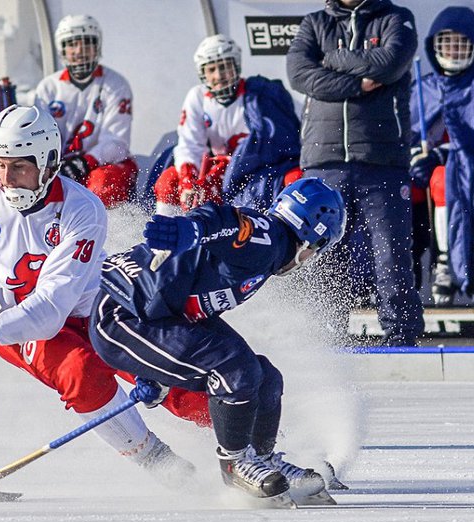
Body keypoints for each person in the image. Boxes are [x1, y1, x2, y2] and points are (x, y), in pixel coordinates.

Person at [0, 104, 210, 486]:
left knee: (177, 381)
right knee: (81, 373)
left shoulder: (82, 210)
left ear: (48, 163)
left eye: (19, 167)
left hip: (95, 312)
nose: (6, 179)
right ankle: (162, 463)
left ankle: (256, 448)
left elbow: (51, 308)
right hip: (24, 328)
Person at [88, 177, 345, 507]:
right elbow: (229, 222)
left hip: (154, 317)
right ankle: (236, 464)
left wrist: (153, 370)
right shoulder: (269, 240)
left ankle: (260, 458)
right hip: (121, 318)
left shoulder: (269, 247)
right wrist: (193, 229)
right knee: (235, 369)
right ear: (312, 239)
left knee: (265, 378)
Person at [286, 0, 424, 347]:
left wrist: (331, 59)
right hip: (323, 158)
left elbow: (389, 64)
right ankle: (325, 336)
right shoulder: (315, 22)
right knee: (320, 253)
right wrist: (357, 83)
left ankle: (401, 335)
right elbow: (300, 73)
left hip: (382, 159)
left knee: (390, 253)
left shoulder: (396, 18)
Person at [153, 34, 301, 215]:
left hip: (253, 171)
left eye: (224, 67)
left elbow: (278, 144)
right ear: (202, 73)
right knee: (168, 179)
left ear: (236, 65)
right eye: (211, 69)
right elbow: (189, 144)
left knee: (296, 179)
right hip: (213, 172)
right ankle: (165, 234)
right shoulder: (197, 97)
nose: (218, 76)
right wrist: (188, 182)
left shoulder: (259, 96)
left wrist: (232, 168)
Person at [409, 6, 474, 305]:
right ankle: (444, 261)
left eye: (461, 44)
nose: (454, 50)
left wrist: (447, 156)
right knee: (438, 180)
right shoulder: (424, 89)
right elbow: (405, 137)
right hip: (438, 174)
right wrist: (418, 158)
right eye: (447, 43)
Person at [34, 14, 137, 209]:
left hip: (102, 165)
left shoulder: (116, 84)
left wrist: (83, 163)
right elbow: (39, 136)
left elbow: (118, 143)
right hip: (61, 167)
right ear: (62, 48)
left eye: (87, 43)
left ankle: (113, 237)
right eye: (72, 44)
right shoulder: (48, 88)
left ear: (97, 46)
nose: (80, 51)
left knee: (103, 184)